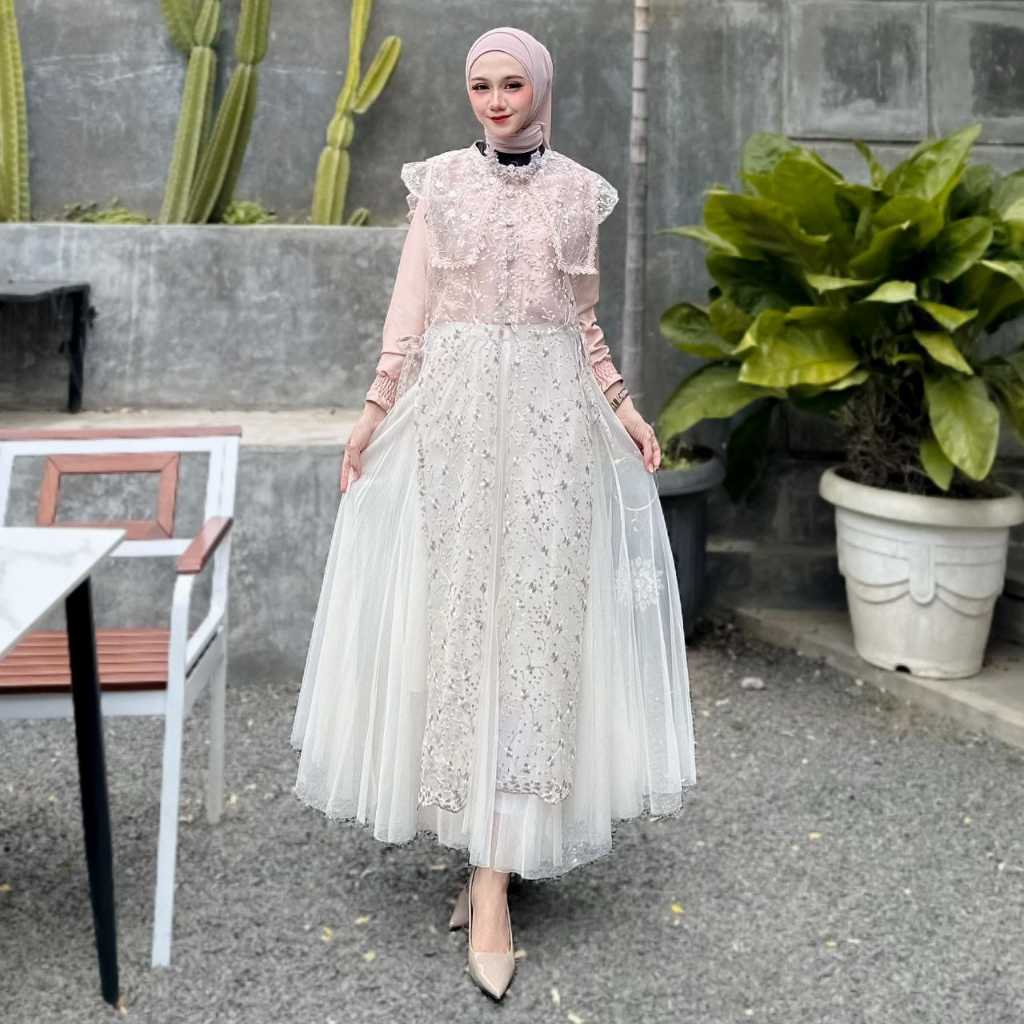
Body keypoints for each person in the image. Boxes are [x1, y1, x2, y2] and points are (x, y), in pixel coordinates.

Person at [290, 25, 697, 1001]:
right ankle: (483, 861)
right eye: (481, 85)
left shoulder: (579, 193)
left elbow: (583, 322)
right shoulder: (438, 185)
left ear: (540, 88)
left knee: (536, 634)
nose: (497, 100)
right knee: (461, 625)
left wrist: (624, 408)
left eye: (513, 83)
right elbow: (411, 315)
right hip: (459, 424)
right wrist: (373, 412)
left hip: (552, 431)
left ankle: (496, 873)